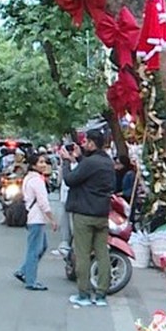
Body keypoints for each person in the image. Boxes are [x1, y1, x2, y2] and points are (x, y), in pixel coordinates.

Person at [62, 130, 115, 307]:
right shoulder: (108, 162)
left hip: (84, 214)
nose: (83, 145)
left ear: (92, 143)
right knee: (102, 254)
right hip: (102, 214)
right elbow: (90, 172)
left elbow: (70, 179)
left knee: (82, 254)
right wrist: (78, 158)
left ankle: (83, 294)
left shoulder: (90, 163)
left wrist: (66, 162)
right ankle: (101, 294)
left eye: (86, 143)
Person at [14, 153, 56, 291]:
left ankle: (24, 270)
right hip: (36, 218)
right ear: (33, 165)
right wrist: (52, 219)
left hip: (33, 217)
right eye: (40, 162)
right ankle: (30, 281)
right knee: (34, 250)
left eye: (45, 162)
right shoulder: (37, 180)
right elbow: (43, 203)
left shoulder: (29, 178)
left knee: (42, 246)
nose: (44, 165)